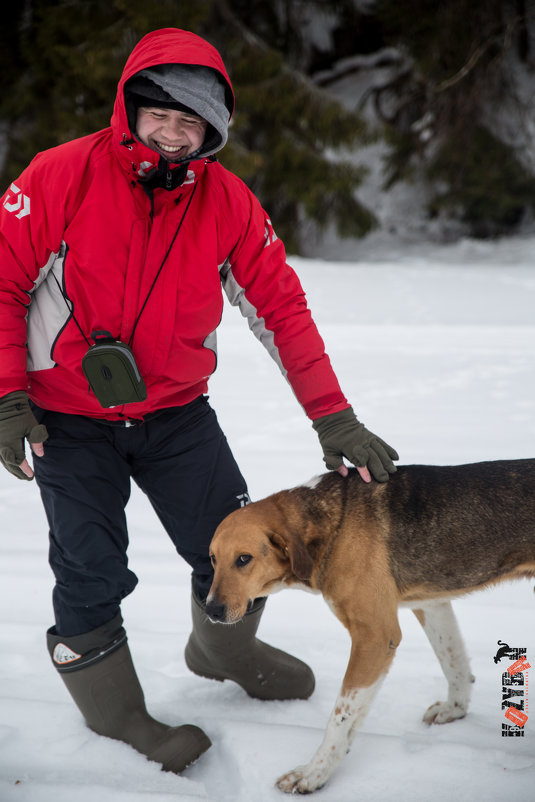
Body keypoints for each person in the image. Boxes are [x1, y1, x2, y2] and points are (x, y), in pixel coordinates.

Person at [0, 28, 398, 773]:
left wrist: (331, 414)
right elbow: (2, 282)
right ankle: (120, 714)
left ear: (212, 131)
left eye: (193, 124)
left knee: (234, 539)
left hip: (177, 414)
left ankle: (220, 652)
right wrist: (5, 397)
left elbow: (281, 309)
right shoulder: (58, 177)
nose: (174, 134)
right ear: (130, 107)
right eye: (162, 116)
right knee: (89, 566)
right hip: (68, 422)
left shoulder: (227, 201)